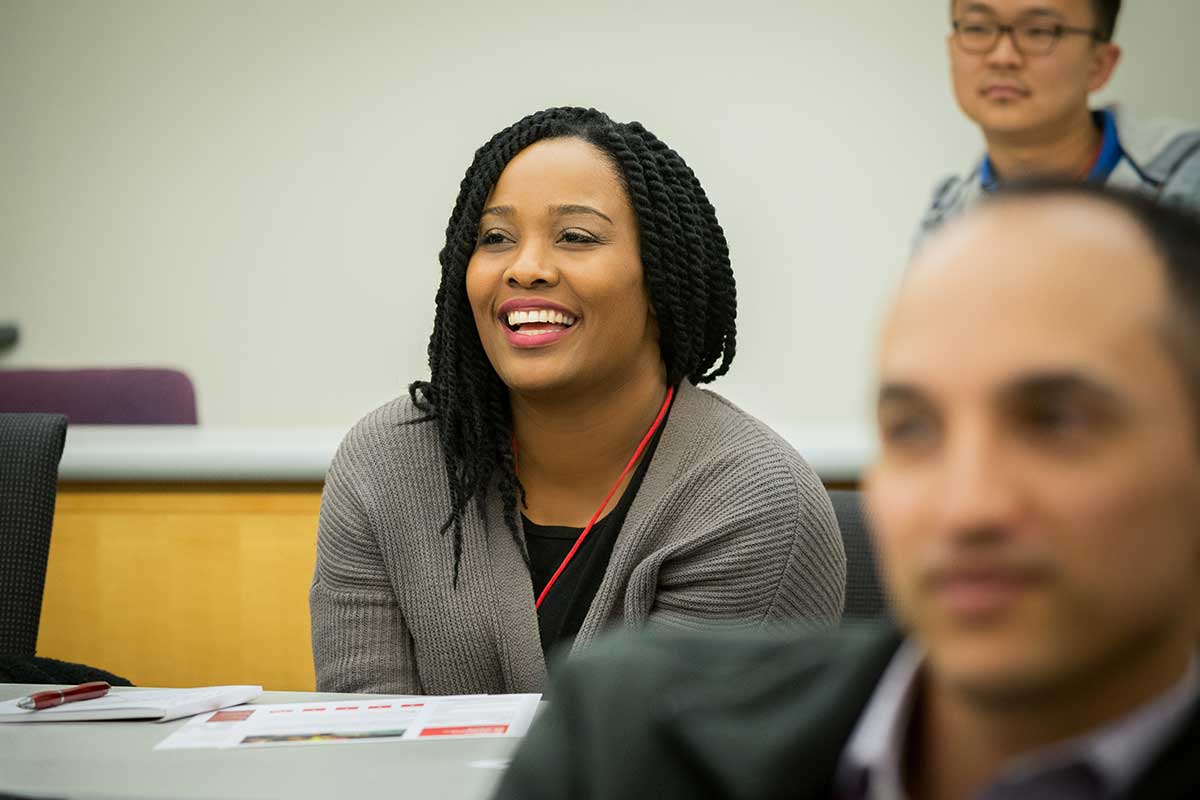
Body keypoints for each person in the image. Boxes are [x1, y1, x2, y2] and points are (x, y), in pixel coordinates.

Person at [493, 182, 1200, 799]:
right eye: (914, 430)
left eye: (1056, 423)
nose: (967, 508)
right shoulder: (629, 737)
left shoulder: (735, 483)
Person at [309, 107, 846, 695]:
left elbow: (662, 770)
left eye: (576, 237)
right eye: (495, 239)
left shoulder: (751, 499)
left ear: (660, 275)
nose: (526, 268)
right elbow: (364, 743)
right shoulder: (387, 463)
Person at [918, 0, 1200, 238]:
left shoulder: (1184, 175)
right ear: (951, 47)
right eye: (977, 28)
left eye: (1039, 32)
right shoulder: (948, 217)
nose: (1002, 57)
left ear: (1100, 64)